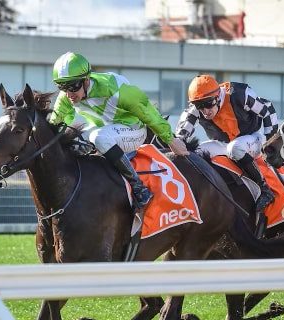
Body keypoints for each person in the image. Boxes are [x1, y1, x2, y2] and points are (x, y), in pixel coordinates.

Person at [49, 52, 188, 209]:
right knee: (74, 139)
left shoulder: (112, 87)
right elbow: (55, 125)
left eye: (73, 87)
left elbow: (147, 111)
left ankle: (139, 187)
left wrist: (170, 139)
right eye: (62, 87)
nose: (69, 94)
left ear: (86, 80)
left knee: (98, 137)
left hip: (134, 131)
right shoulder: (67, 97)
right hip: (105, 131)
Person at [175, 74, 278, 212]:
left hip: (251, 137)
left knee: (235, 148)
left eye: (208, 104)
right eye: (199, 105)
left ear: (218, 97)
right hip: (224, 144)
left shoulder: (240, 94)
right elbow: (180, 135)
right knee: (196, 153)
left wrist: (269, 142)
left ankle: (265, 189)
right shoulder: (196, 110)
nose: (205, 111)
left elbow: (268, 110)